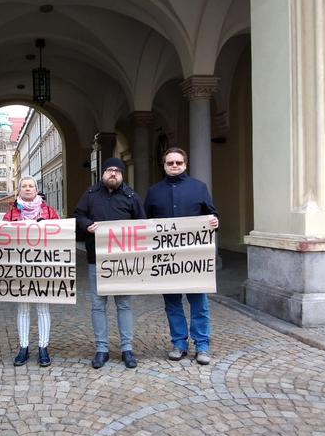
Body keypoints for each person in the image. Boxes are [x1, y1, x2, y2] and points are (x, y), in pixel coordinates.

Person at [144, 147, 219, 365]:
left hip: (194, 260)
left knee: (200, 304)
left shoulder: (199, 188)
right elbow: (146, 223)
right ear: (164, 165)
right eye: (170, 163)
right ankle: (179, 343)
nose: (174, 166)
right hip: (166, 260)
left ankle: (202, 345)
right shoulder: (154, 191)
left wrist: (214, 220)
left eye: (178, 162)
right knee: (173, 304)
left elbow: (212, 213)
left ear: (185, 164)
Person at [74, 157, 146, 370]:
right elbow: (78, 215)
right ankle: (101, 349)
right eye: (109, 170)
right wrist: (87, 226)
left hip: (123, 262)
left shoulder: (132, 197)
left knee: (124, 305)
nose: (113, 173)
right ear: (102, 173)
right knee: (98, 305)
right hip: (97, 259)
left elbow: (143, 225)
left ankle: (127, 349)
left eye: (117, 170)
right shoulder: (90, 195)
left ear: (122, 175)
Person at [3, 176, 59, 367]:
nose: (28, 189)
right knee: (23, 308)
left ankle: (44, 348)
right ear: (19, 190)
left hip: (43, 267)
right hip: (20, 268)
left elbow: (60, 237)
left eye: (31, 186)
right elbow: (1, 240)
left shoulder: (49, 212)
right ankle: (23, 347)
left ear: (36, 189)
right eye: (24, 186)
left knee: (43, 308)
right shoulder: (10, 214)